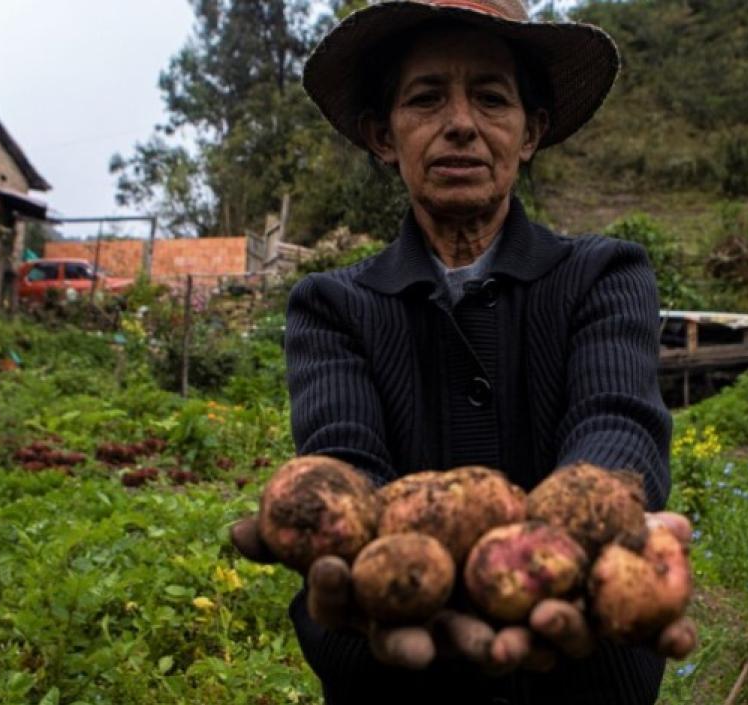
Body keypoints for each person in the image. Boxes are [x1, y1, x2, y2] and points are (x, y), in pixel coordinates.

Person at [230, 1, 697, 702]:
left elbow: (617, 422)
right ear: (382, 136)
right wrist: (359, 545)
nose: (460, 123)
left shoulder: (603, 274)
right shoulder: (330, 304)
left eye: (490, 97)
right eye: (425, 98)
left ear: (530, 131)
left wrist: (576, 527)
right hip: (395, 677)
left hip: (581, 676)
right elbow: (344, 456)